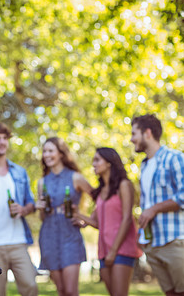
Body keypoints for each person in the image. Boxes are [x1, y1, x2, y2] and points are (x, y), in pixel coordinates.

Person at [0, 122, 38, 296]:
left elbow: (31, 204)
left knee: (31, 286)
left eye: (5, 138)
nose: (2, 142)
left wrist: (23, 210)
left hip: (18, 242)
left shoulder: (19, 172)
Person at [73, 147, 142, 296]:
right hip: (103, 250)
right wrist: (78, 215)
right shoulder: (101, 192)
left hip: (121, 249)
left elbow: (127, 219)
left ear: (109, 162)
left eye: (97, 160)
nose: (94, 164)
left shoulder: (124, 185)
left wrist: (113, 251)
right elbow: (98, 224)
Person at [130, 114, 184, 296]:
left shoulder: (174, 158)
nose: (131, 139)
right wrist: (140, 235)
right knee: (170, 293)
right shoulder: (144, 166)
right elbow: (147, 204)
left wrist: (154, 209)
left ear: (147, 133)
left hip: (174, 239)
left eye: (134, 133)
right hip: (153, 243)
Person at [35, 137, 92, 296]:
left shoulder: (75, 177)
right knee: (61, 291)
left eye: (50, 151)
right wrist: (40, 208)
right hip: (48, 237)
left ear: (61, 153)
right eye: (44, 151)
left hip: (70, 236)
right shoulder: (42, 182)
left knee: (70, 291)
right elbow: (42, 217)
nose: (46, 155)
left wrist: (87, 221)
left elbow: (99, 199)